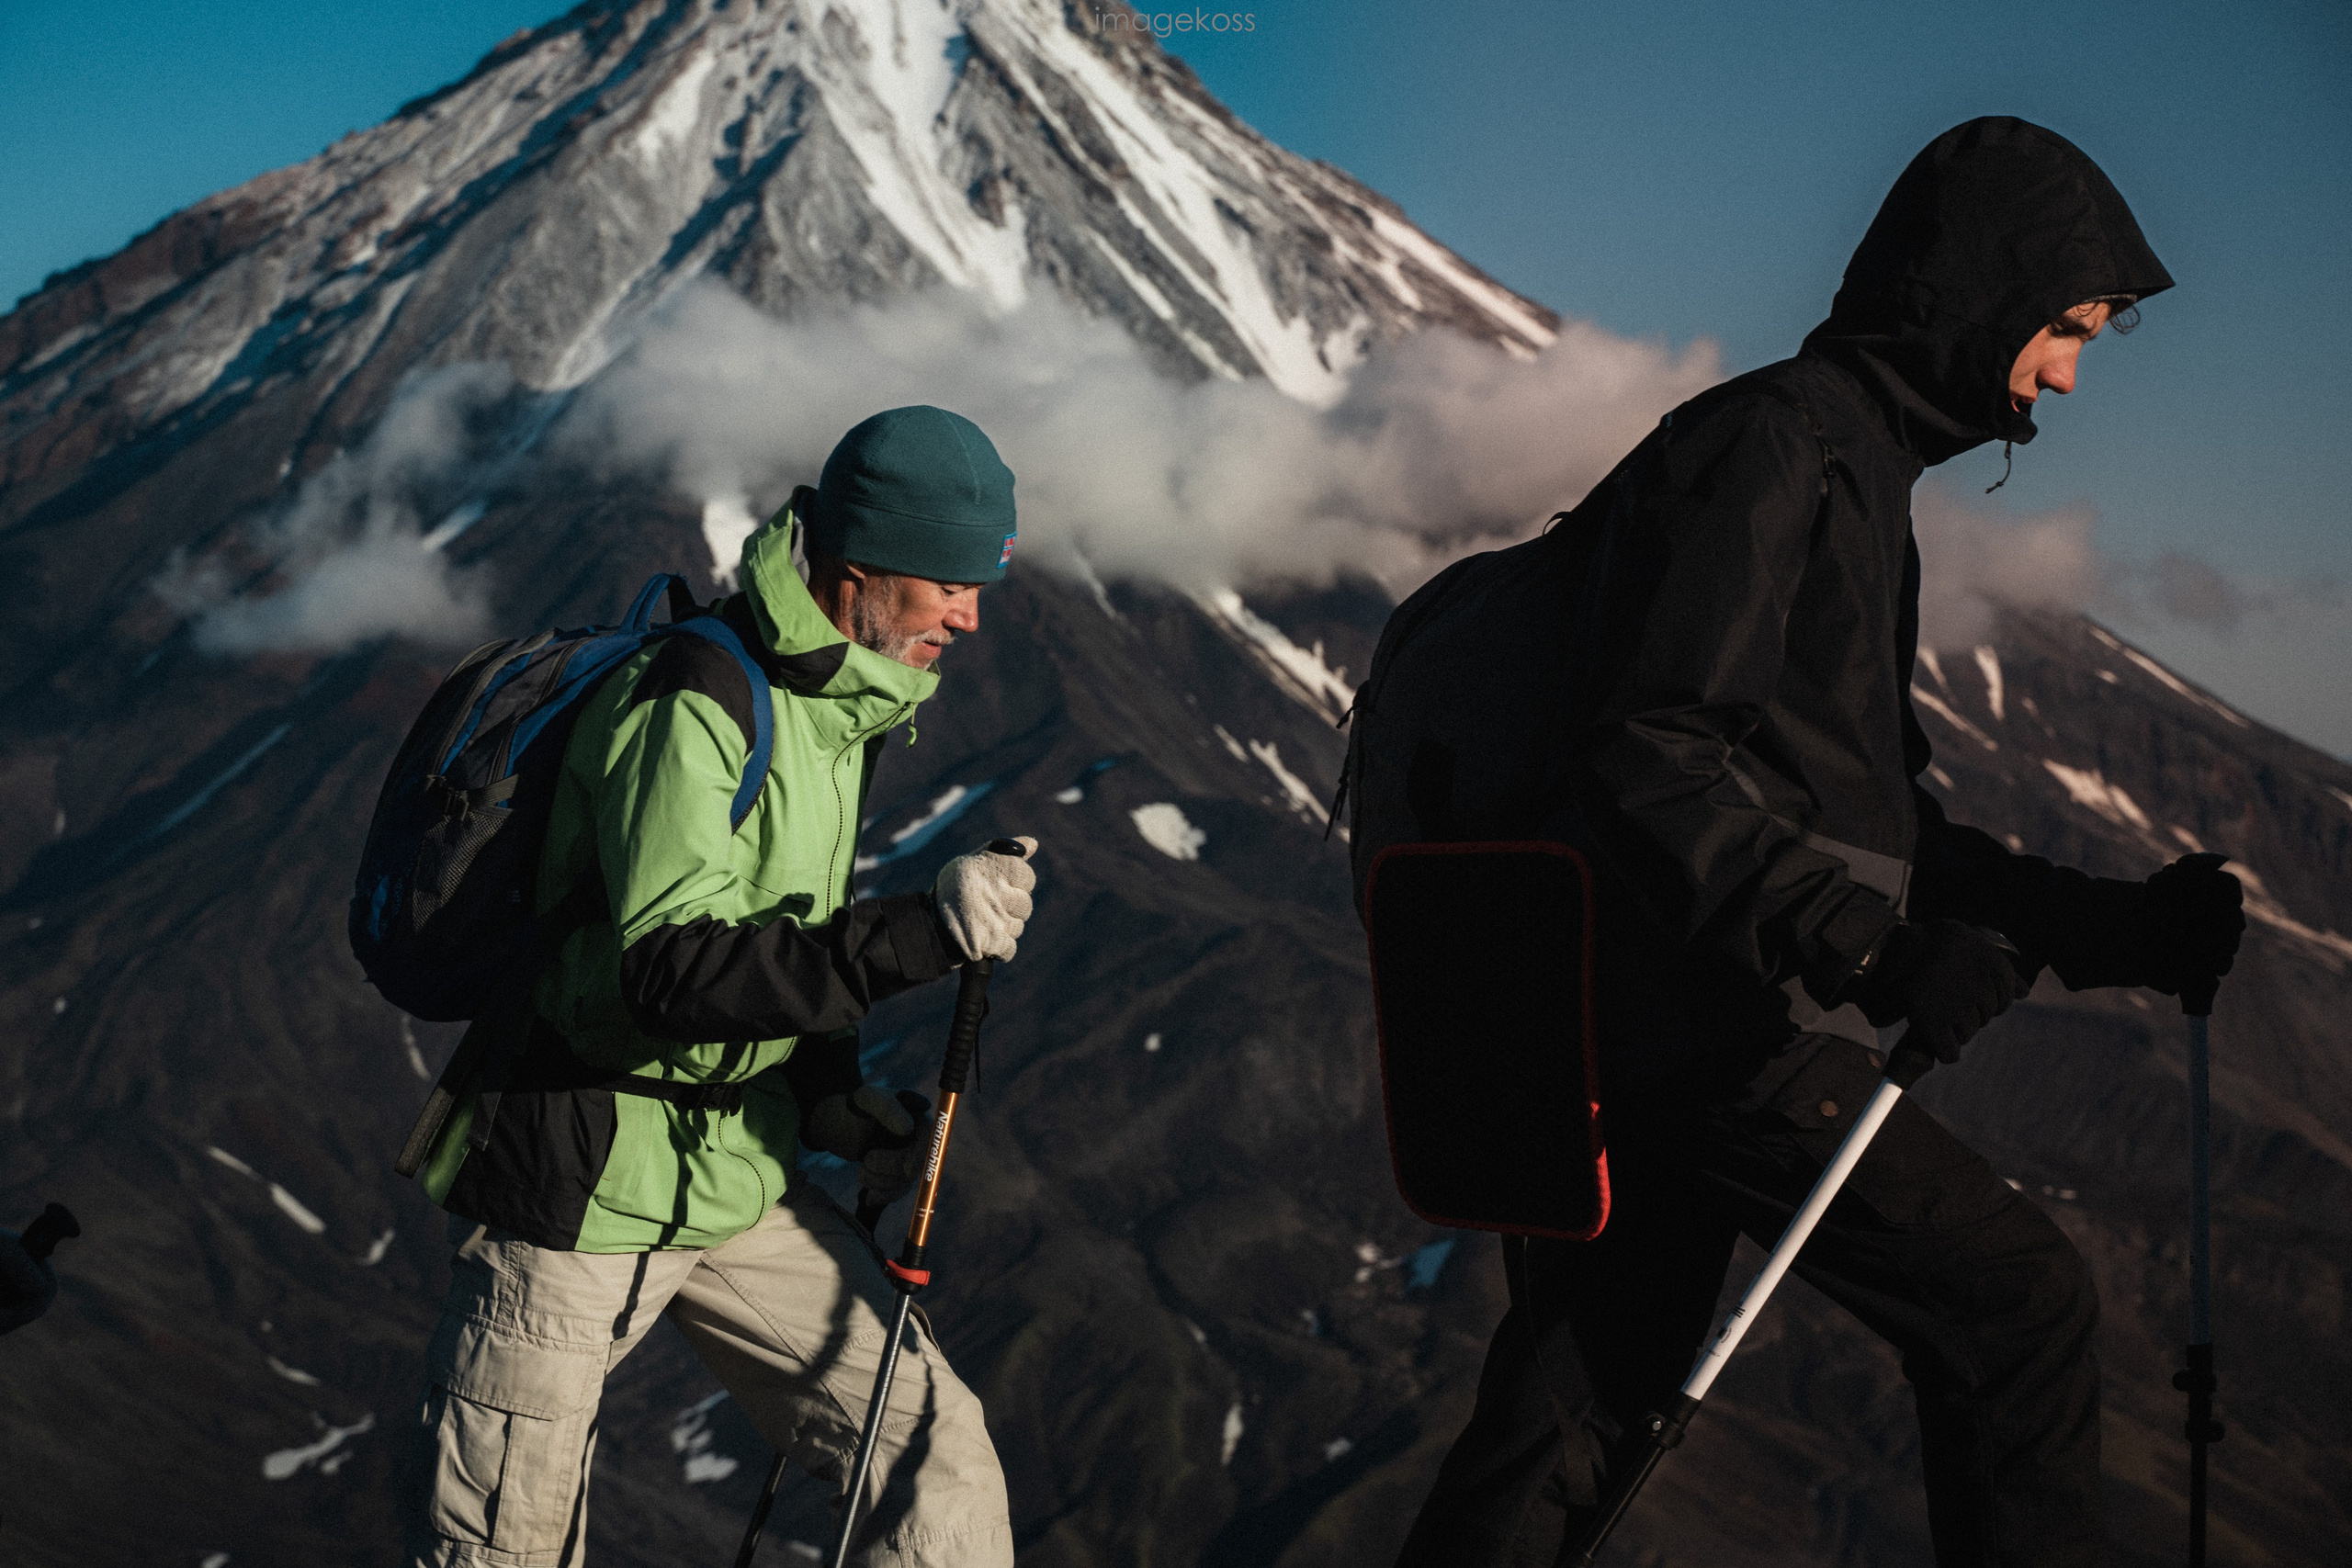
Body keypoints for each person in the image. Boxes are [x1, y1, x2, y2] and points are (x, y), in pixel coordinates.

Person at [1393, 118, 2245, 1566]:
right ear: (1981, 289)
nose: (2066, 373)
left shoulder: (1849, 468)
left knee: (1577, 1401)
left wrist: (2120, 933)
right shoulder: (1774, 449)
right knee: (2016, 1303)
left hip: (1657, 1005)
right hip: (1704, 1023)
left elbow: (1876, 820)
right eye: (2064, 327)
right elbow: (1648, 748)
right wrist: (1871, 947)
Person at [401, 405, 1034, 1568]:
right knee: (502, 1548)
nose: (969, 613)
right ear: (861, 573)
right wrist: (922, 935)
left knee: (936, 1466)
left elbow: (777, 929)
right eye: (950, 582)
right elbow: (672, 970)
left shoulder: (837, 708)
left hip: (735, 1169)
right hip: (582, 1182)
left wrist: (834, 1101)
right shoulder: (695, 699)